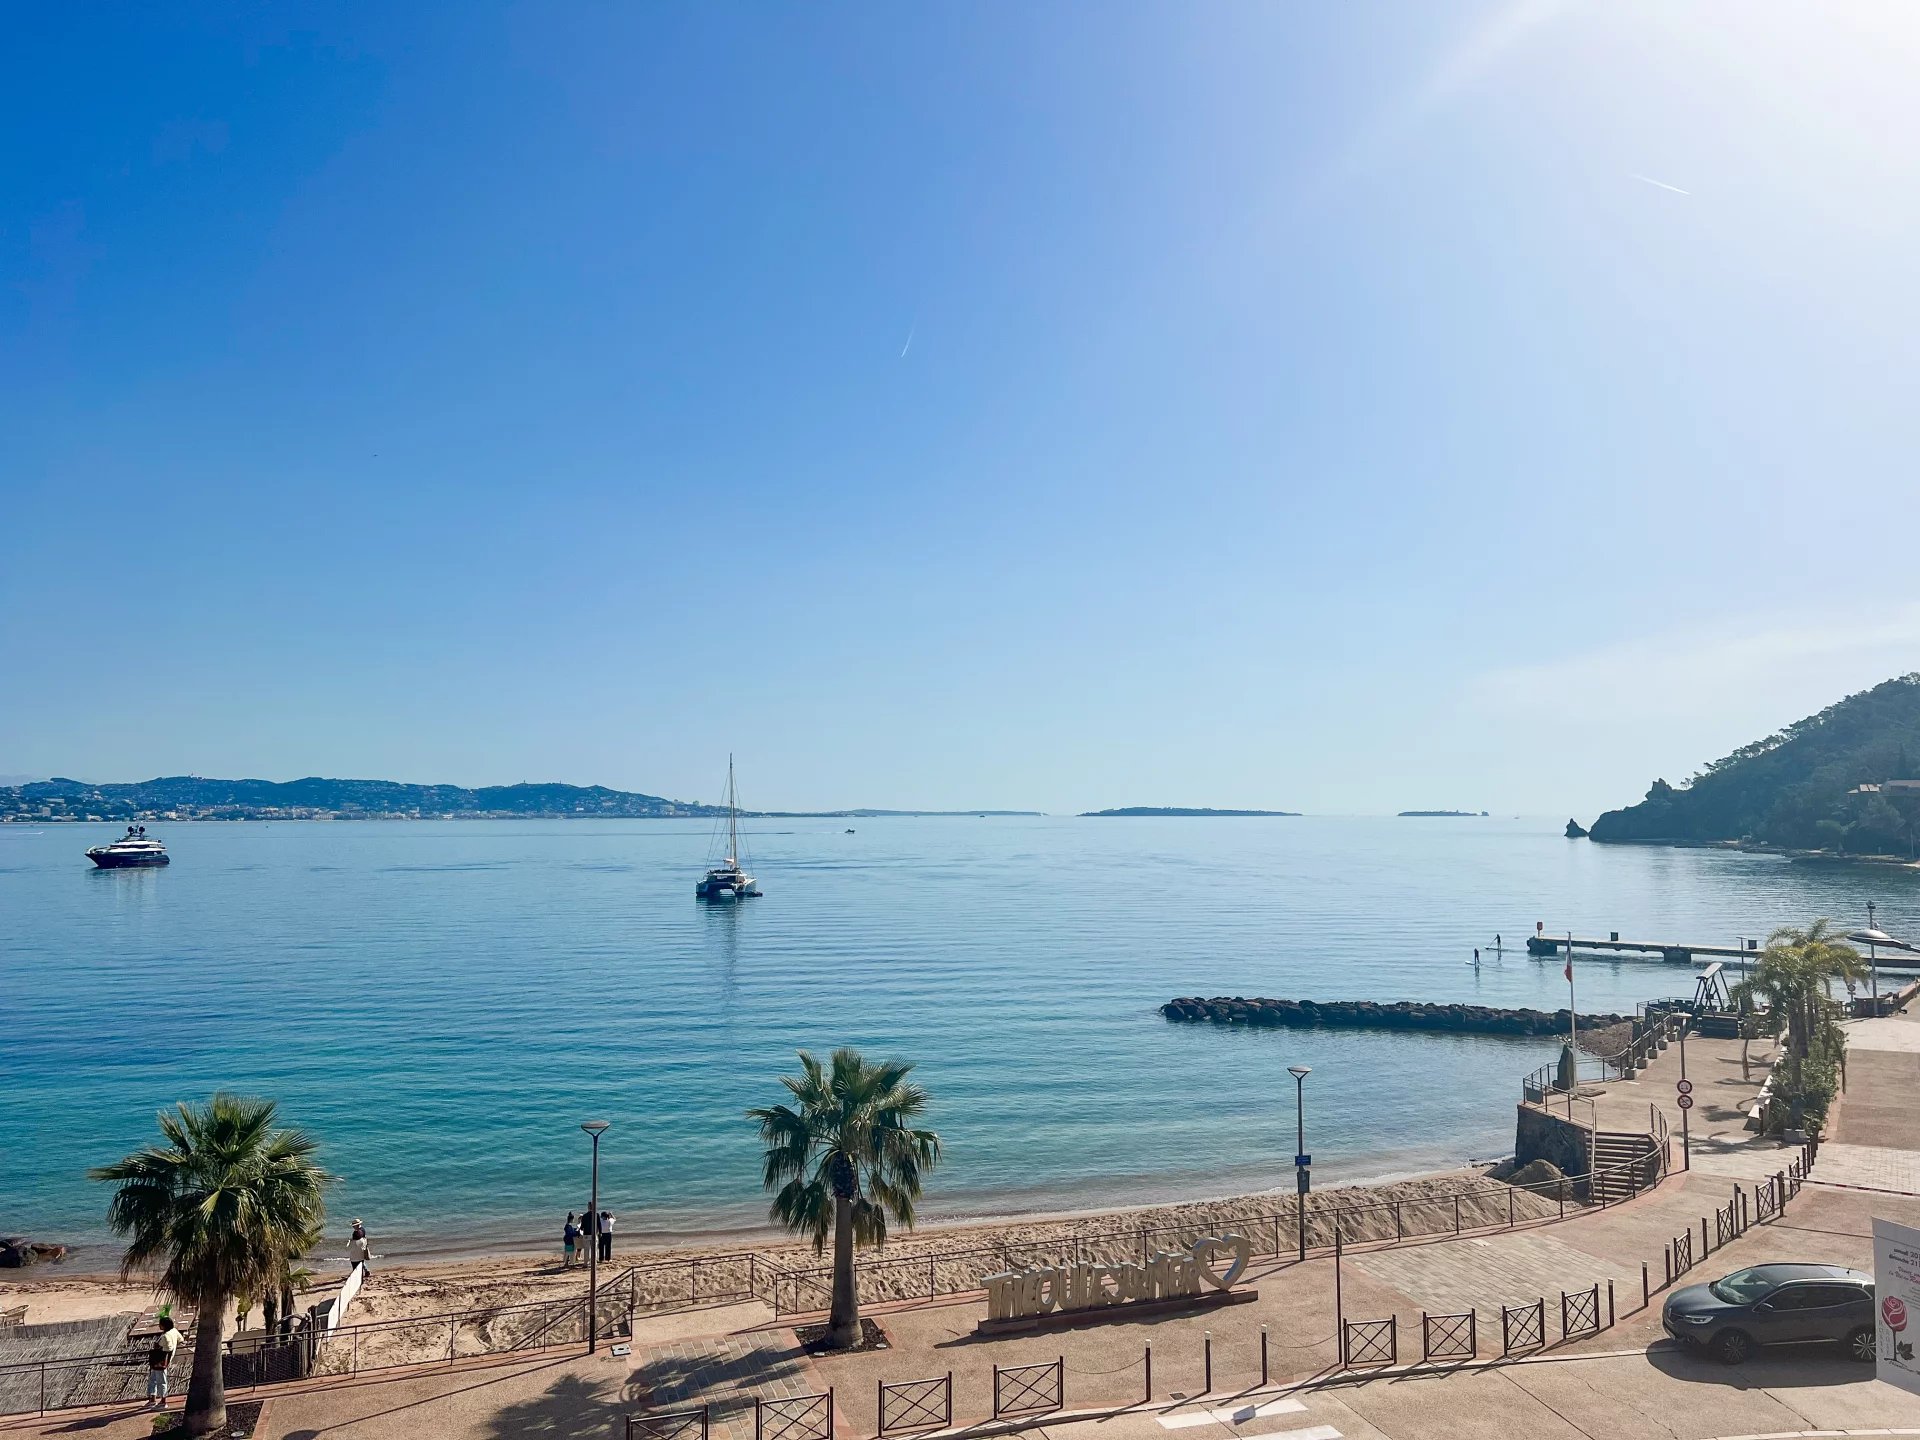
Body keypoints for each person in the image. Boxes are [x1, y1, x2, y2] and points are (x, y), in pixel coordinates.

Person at [146, 1316, 180, 1408]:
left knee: (161, 1380)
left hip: (160, 1360)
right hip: (161, 1360)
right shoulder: (174, 1331)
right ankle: (152, 1399)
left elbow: (168, 1347)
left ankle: (163, 1401)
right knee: (153, 1379)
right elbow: (181, 1339)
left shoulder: (165, 1336)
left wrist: (159, 1346)